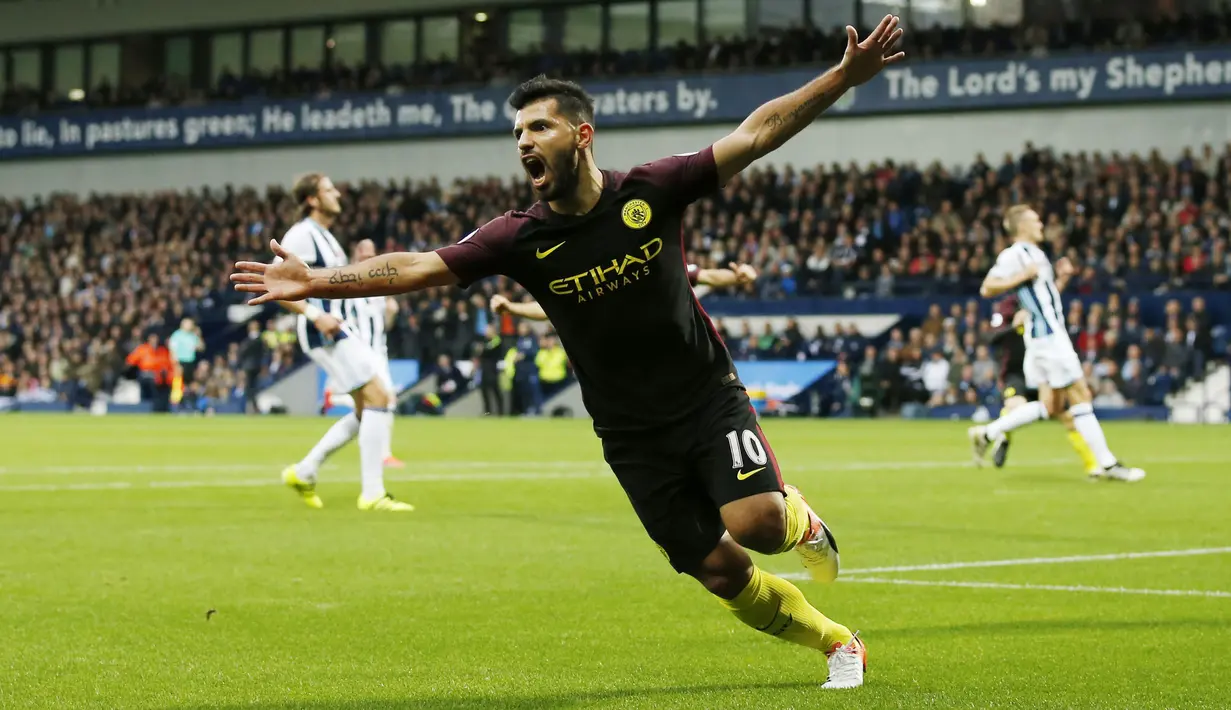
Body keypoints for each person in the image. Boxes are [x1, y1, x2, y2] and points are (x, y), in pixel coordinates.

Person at [232, 17, 906, 689]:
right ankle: (837, 643)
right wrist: (315, 281)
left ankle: (798, 517)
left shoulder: (651, 190)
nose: (523, 141)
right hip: (628, 432)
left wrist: (844, 77)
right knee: (719, 572)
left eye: (538, 129)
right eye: (517, 133)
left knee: (757, 525)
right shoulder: (515, 237)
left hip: (705, 398)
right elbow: (417, 267)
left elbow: (756, 133)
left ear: (580, 135)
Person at [969, 205, 1144, 482]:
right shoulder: (1016, 254)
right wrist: (1021, 276)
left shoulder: (1037, 254)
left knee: (1050, 406)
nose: (1041, 223)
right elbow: (987, 287)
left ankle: (987, 433)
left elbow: (1044, 298)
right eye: (1035, 220)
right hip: (1049, 338)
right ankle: (1108, 464)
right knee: (1080, 395)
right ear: (1021, 226)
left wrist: (1062, 279)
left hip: (1043, 337)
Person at [275, 174, 414, 512]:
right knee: (380, 397)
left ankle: (305, 471)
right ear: (312, 199)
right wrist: (313, 315)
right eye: (328, 189)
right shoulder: (302, 235)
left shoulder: (326, 238)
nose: (337, 194)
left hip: (337, 329)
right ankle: (372, 494)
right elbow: (277, 284)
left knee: (367, 407)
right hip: (325, 331)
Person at [984, 295, 1100, 475]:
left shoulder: (1045, 301)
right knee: (1015, 404)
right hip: (1016, 373)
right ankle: (1003, 438)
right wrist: (1013, 327)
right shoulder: (1007, 306)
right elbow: (991, 337)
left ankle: (1093, 466)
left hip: (1045, 370)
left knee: (1066, 416)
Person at [325, 239, 406, 468]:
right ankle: (383, 454)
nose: (370, 259)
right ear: (357, 254)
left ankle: (336, 398)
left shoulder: (380, 285)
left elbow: (384, 325)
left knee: (378, 402)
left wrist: (391, 313)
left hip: (379, 351)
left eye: (373, 254)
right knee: (383, 399)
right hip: (360, 350)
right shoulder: (348, 279)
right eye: (366, 254)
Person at [487, 262, 758, 322]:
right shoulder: (601, 279)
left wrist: (736, 278)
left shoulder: (659, 263)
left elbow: (708, 276)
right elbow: (553, 309)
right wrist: (512, 308)